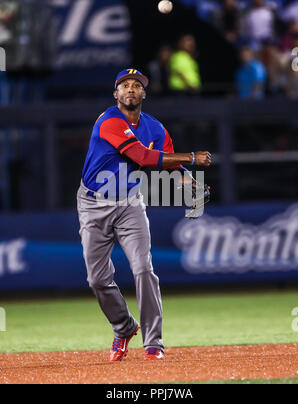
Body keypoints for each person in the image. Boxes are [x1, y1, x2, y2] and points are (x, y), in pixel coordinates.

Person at [77, 68, 211, 362]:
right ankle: (124, 327)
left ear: (144, 93)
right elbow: (141, 156)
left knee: (143, 269)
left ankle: (154, 342)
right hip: (93, 204)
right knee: (97, 279)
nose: (131, 89)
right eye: (124, 85)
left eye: (137, 85)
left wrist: (187, 177)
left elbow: (169, 165)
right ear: (116, 94)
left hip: (129, 204)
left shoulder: (157, 129)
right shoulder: (109, 120)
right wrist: (191, 157)